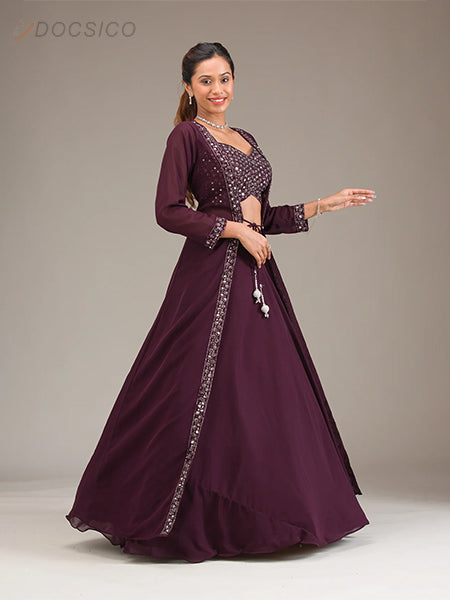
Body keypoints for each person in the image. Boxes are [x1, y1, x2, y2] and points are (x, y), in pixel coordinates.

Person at [66, 42, 375, 563]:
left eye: (225, 78)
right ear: (189, 87)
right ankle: (187, 513)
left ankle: (264, 509)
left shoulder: (247, 139)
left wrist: (323, 204)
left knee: (256, 391)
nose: (217, 89)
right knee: (196, 385)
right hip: (211, 277)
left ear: (235, 81)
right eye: (206, 80)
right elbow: (168, 210)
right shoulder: (186, 136)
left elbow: (264, 218)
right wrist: (234, 230)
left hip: (256, 277)